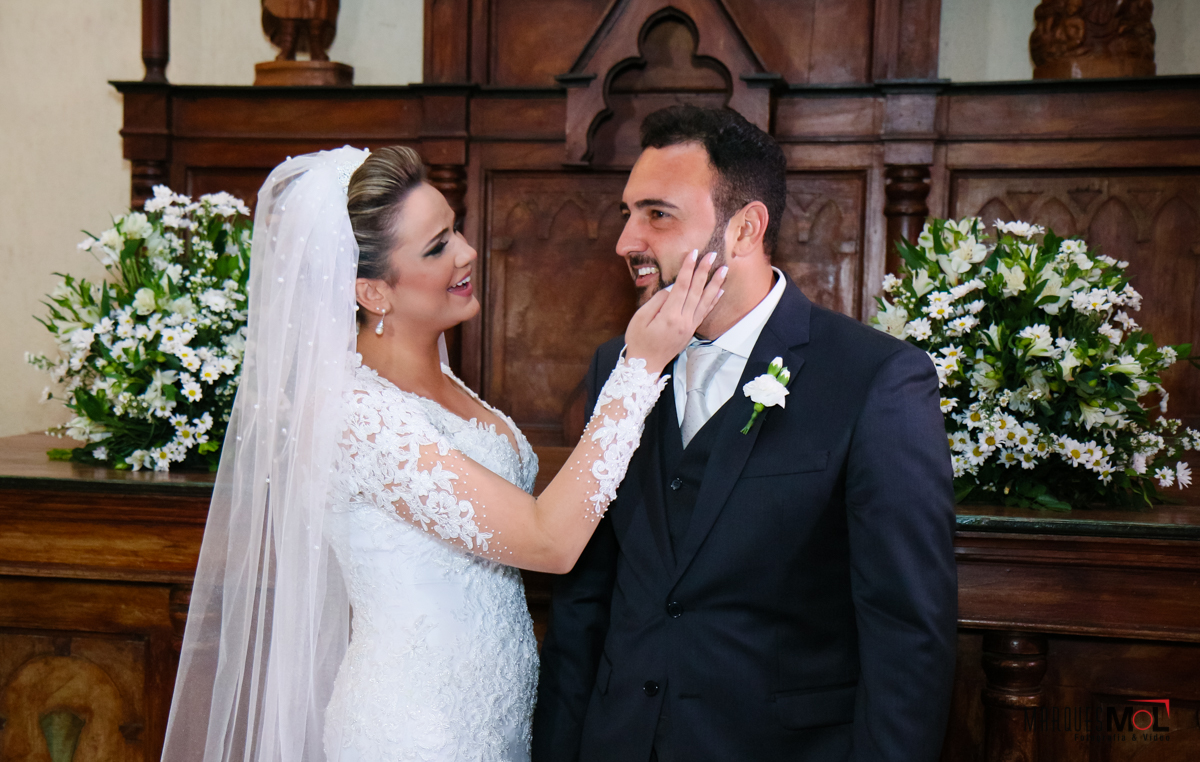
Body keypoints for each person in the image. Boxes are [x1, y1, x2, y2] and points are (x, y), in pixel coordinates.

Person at [160, 145, 725, 762]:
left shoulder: (443, 382)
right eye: (436, 247)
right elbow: (550, 543)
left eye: (454, 228)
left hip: (494, 717)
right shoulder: (356, 415)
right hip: (416, 729)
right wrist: (640, 367)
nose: (466, 252)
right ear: (372, 291)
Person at [533, 105, 958, 762]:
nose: (626, 241)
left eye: (658, 214)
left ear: (745, 229)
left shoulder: (874, 379)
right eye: (627, 213)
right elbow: (584, 601)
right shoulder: (617, 367)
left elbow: (907, 633)